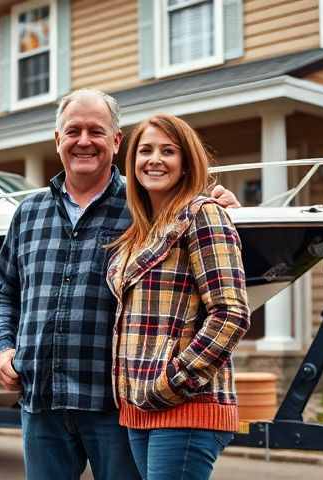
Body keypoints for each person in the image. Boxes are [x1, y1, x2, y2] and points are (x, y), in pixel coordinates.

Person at [0, 89, 240, 479]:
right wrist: (2, 350)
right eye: (73, 131)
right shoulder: (28, 214)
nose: (84, 141)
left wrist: (220, 203)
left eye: (96, 131)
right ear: (57, 140)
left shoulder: (145, 205)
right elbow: (4, 293)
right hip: (41, 403)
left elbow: (198, 241)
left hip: (117, 406)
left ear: (117, 141)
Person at [106, 113, 250, 480]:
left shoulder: (203, 216)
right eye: (146, 150)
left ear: (186, 163)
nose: (154, 159)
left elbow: (230, 313)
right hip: (139, 408)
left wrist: (172, 383)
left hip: (186, 406)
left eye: (168, 151)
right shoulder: (141, 232)